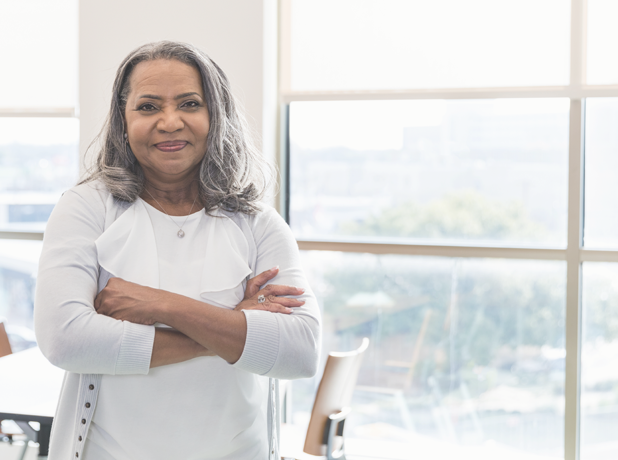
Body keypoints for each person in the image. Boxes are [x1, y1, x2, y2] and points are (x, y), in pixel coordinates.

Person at [34, 41, 321, 460]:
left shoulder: (256, 221)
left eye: (189, 103)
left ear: (215, 115)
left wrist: (160, 305)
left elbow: (299, 352)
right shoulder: (86, 208)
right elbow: (66, 340)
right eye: (148, 107)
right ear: (123, 120)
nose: (170, 122)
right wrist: (232, 329)